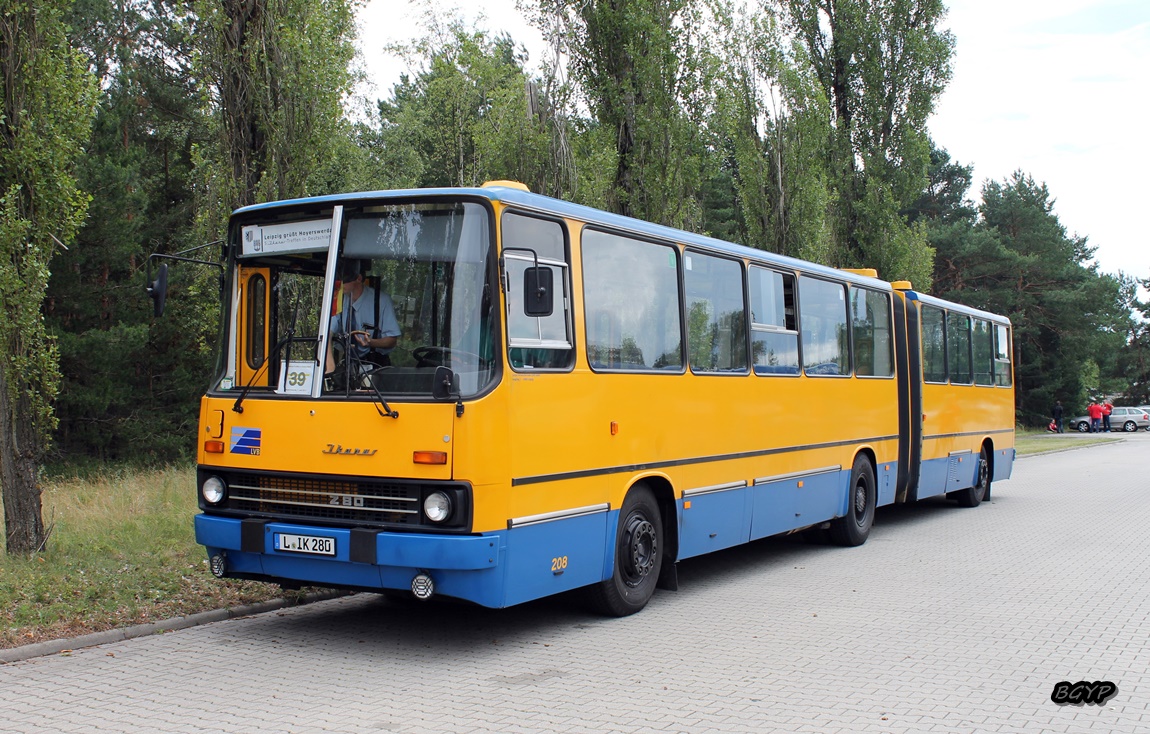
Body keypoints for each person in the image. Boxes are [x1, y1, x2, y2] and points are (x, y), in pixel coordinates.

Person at [325, 261, 401, 374]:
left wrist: (372, 342)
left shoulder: (381, 301)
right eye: (337, 281)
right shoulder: (338, 300)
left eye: (344, 281)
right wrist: (330, 367)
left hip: (376, 365)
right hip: (348, 365)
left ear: (358, 278)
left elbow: (392, 340)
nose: (340, 285)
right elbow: (327, 333)